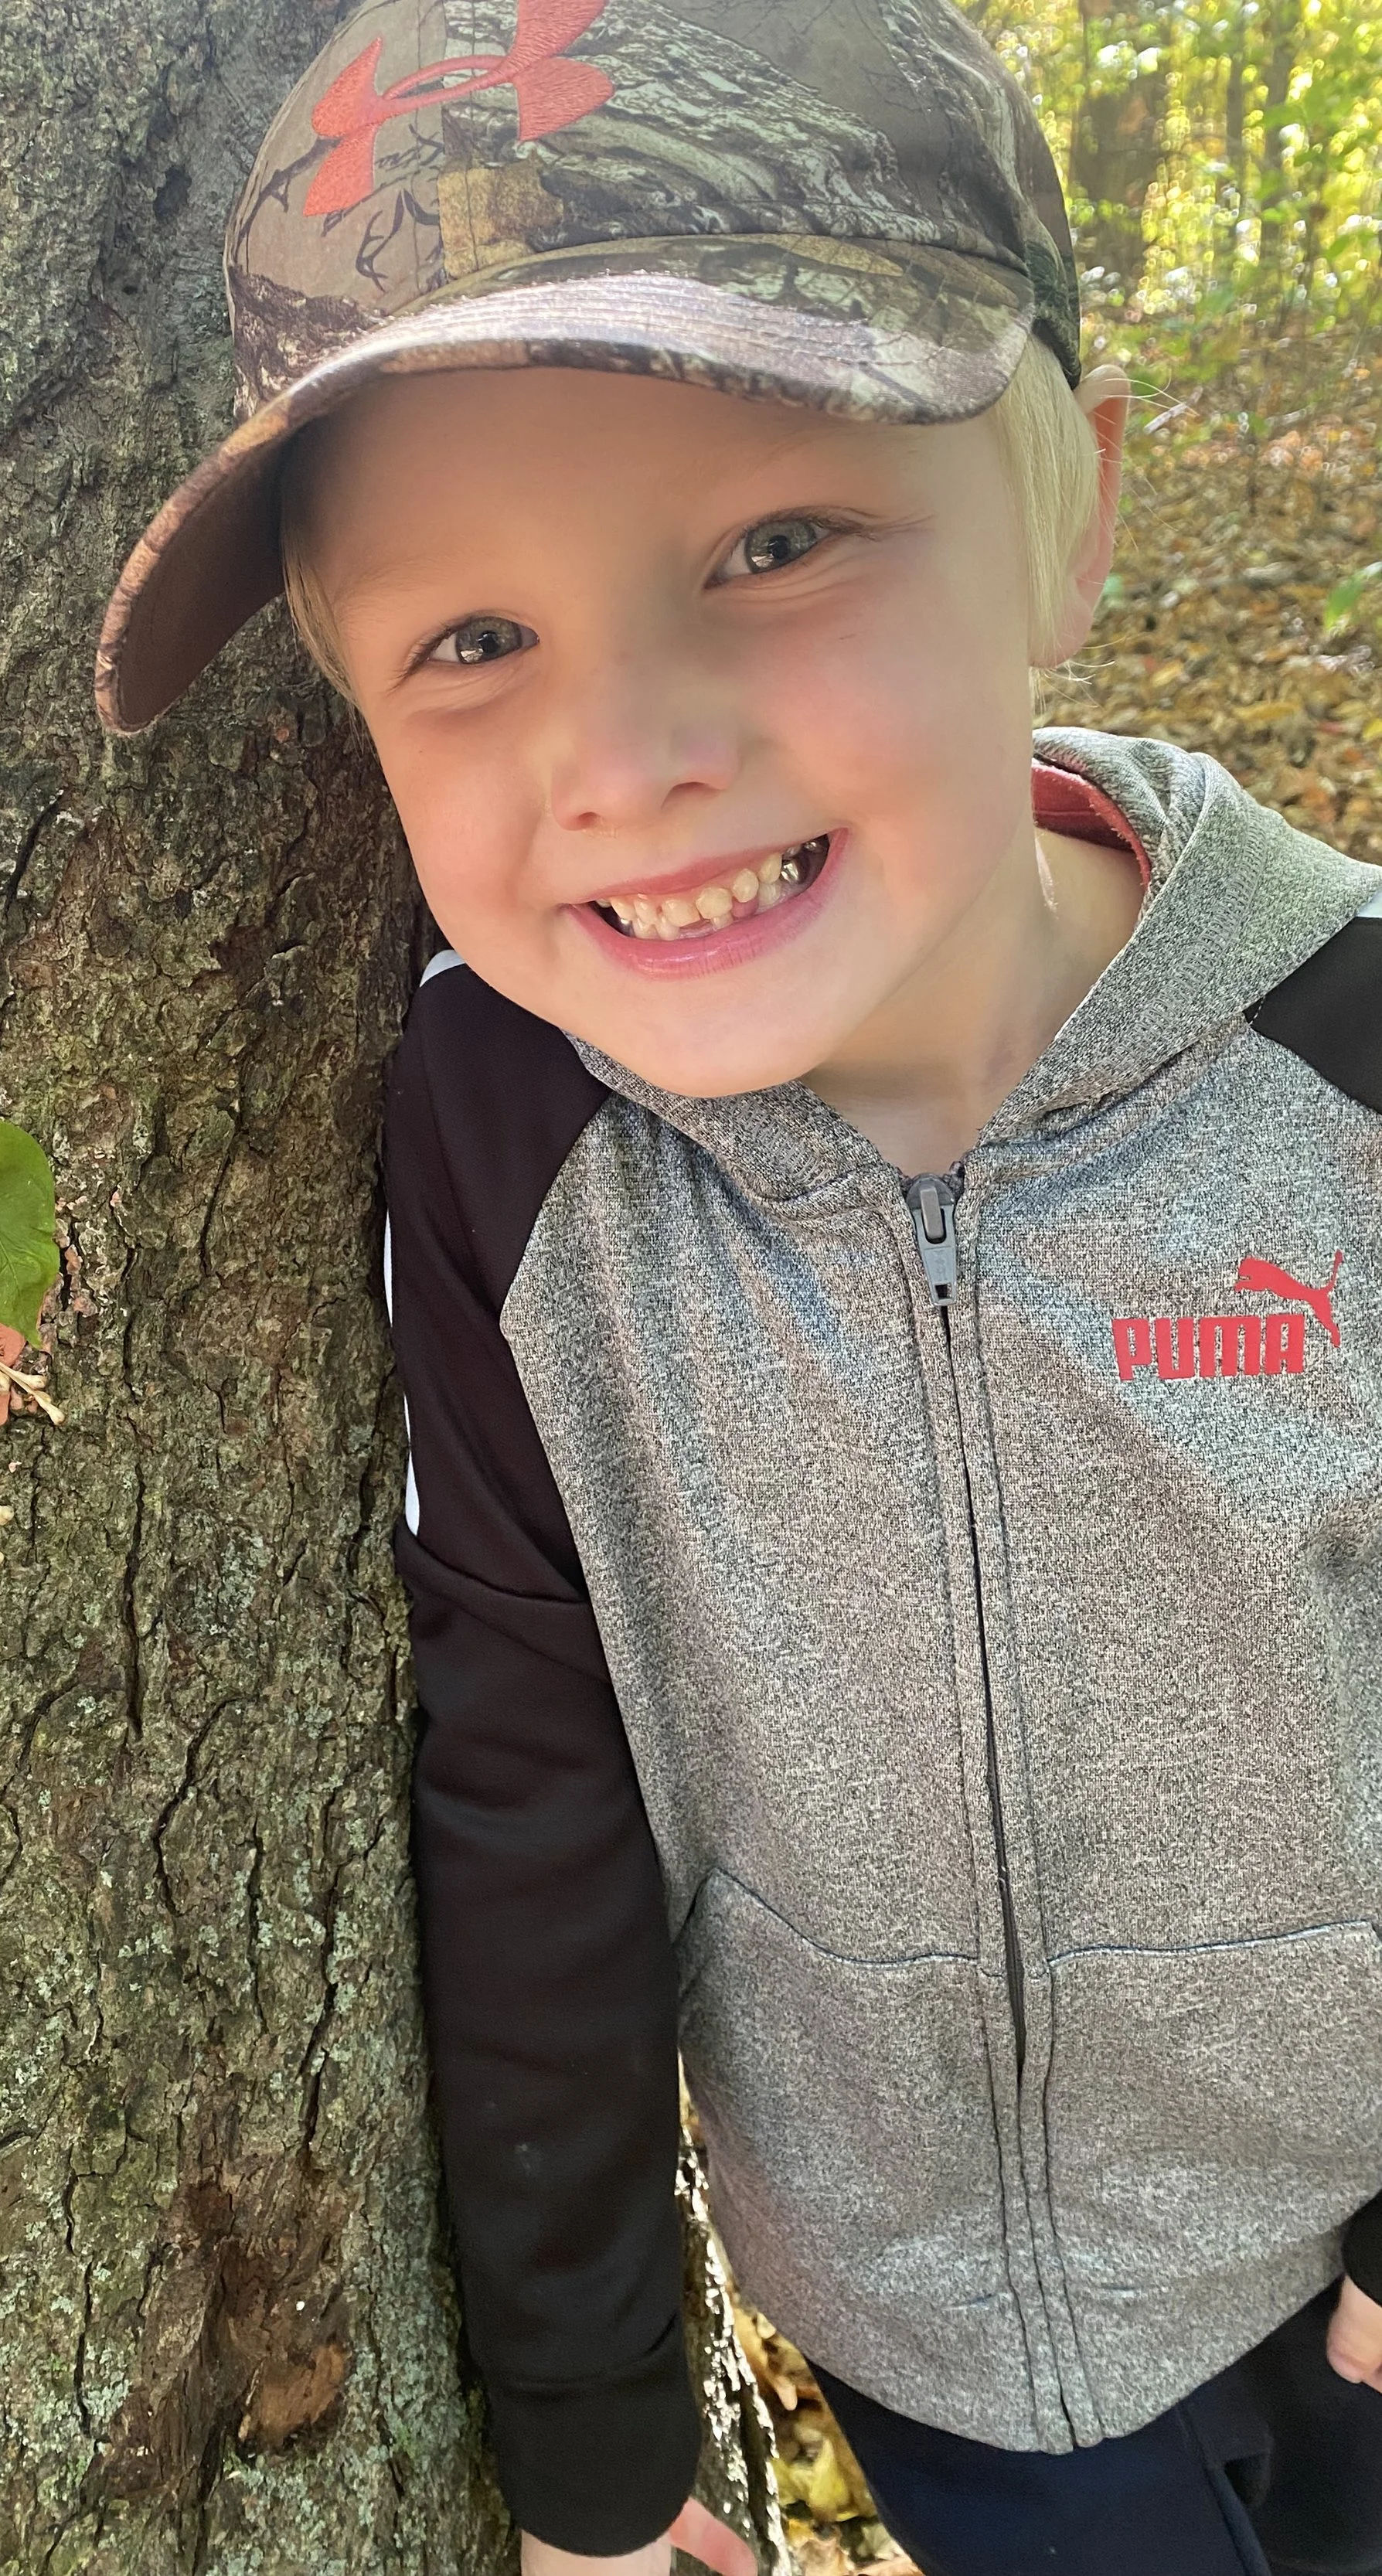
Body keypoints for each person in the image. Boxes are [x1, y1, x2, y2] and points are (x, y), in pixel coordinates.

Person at [96, 2, 1382, 2567]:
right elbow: (524, 1767)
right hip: (932, 2345)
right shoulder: (501, 1147)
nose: (634, 749)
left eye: (773, 543)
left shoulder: (1340, 1060)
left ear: (1069, 517)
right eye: (468, 643)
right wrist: (587, 2432)